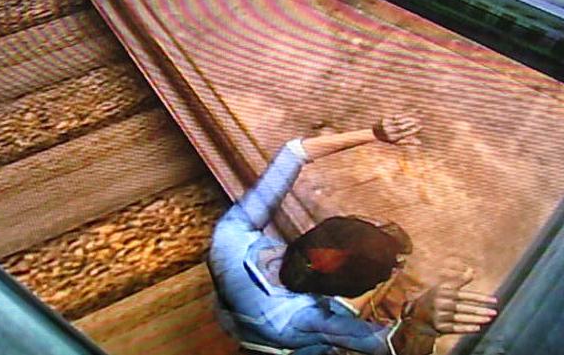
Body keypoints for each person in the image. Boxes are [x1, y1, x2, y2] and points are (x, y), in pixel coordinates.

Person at [208, 115, 498, 355]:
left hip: (242, 321)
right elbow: (395, 348)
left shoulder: (230, 238)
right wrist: (420, 325)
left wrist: (374, 133)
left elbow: (293, 153)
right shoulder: (307, 320)